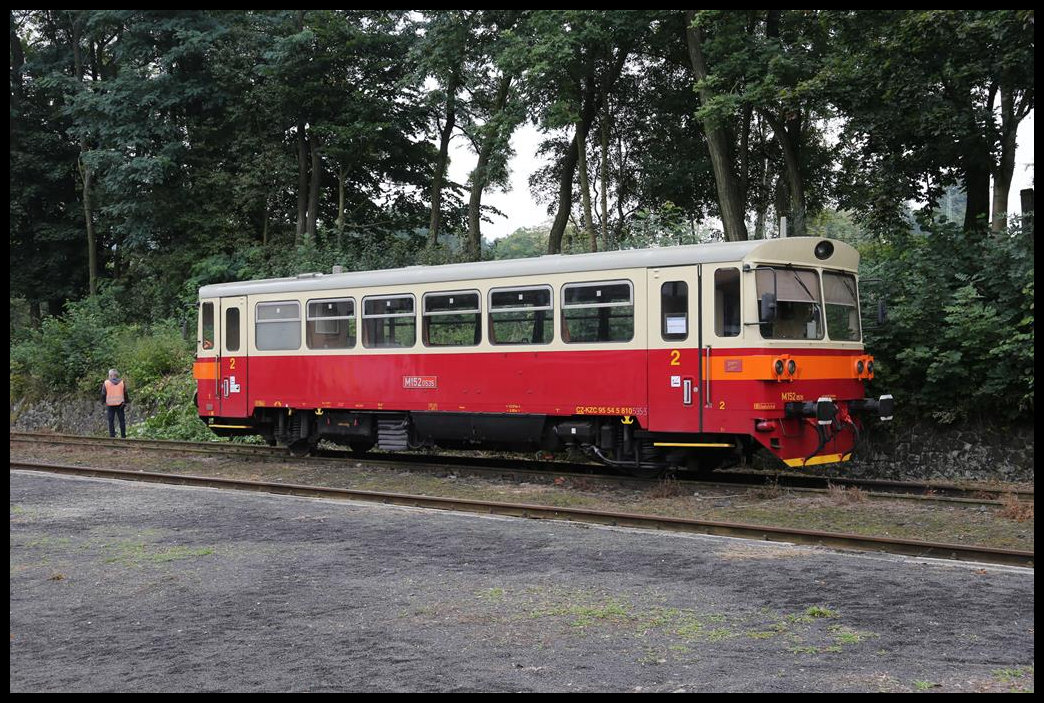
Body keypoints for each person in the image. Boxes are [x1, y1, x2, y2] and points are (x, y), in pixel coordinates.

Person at [100, 368, 130, 438]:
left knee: (111, 421)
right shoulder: (122, 382)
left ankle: (112, 436)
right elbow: (125, 393)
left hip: (110, 404)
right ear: (117, 375)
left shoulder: (106, 383)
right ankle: (123, 436)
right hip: (120, 404)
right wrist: (126, 401)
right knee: (122, 421)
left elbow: (103, 394)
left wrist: (103, 401)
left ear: (110, 375)